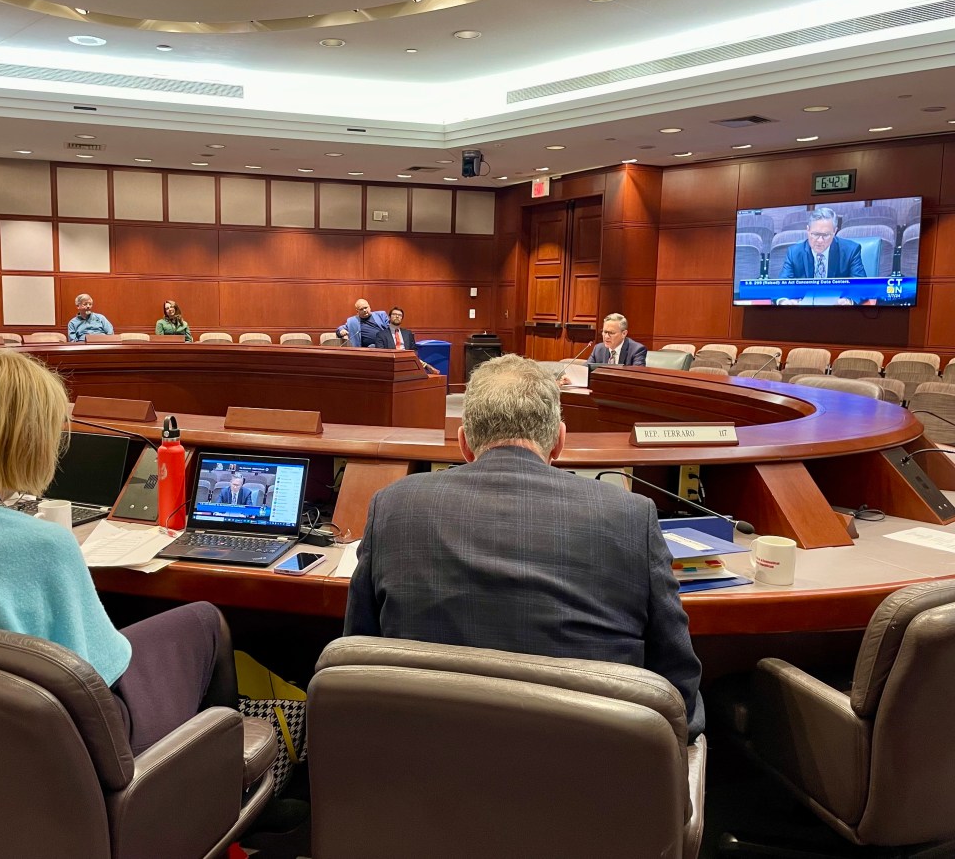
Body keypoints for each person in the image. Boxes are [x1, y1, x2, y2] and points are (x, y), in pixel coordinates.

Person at [0, 348, 227, 752]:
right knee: (206, 623)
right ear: (31, 441)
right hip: (66, 748)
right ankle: (235, 780)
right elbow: (101, 672)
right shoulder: (43, 545)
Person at [344, 354, 704, 740]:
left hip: (422, 771)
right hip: (591, 779)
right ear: (560, 441)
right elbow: (678, 688)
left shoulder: (393, 505)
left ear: (464, 443)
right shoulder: (631, 515)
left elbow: (356, 659)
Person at [779, 208, 867, 279]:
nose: (820, 240)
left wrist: (848, 300)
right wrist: (785, 301)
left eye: (825, 235)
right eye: (815, 234)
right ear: (808, 230)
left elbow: (860, 286)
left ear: (834, 232)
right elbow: (782, 288)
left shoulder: (850, 251)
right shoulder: (794, 253)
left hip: (837, 300)